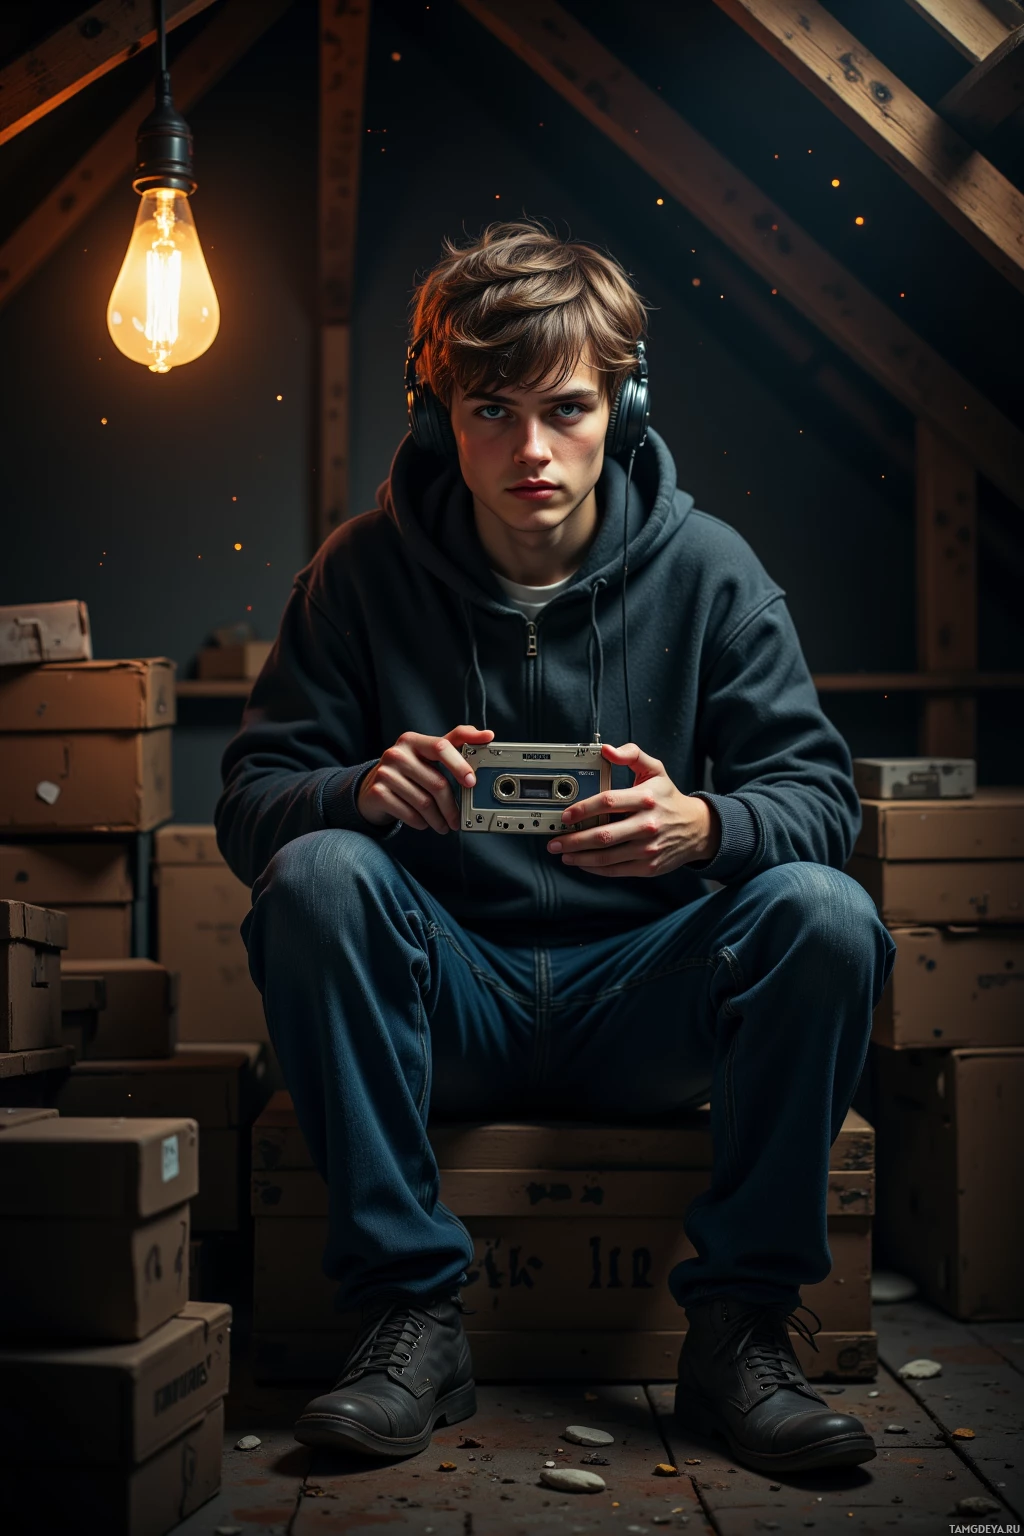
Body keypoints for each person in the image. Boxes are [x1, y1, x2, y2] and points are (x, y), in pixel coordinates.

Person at [215, 218, 895, 1474]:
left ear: (623, 411)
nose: (531, 450)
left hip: (646, 1005)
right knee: (315, 872)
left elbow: (818, 807)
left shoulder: (712, 572)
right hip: (446, 1007)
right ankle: (409, 1319)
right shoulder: (356, 577)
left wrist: (707, 826)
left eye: (569, 408)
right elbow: (249, 800)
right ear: (434, 418)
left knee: (825, 912)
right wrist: (358, 791)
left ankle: (741, 1334)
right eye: (489, 411)